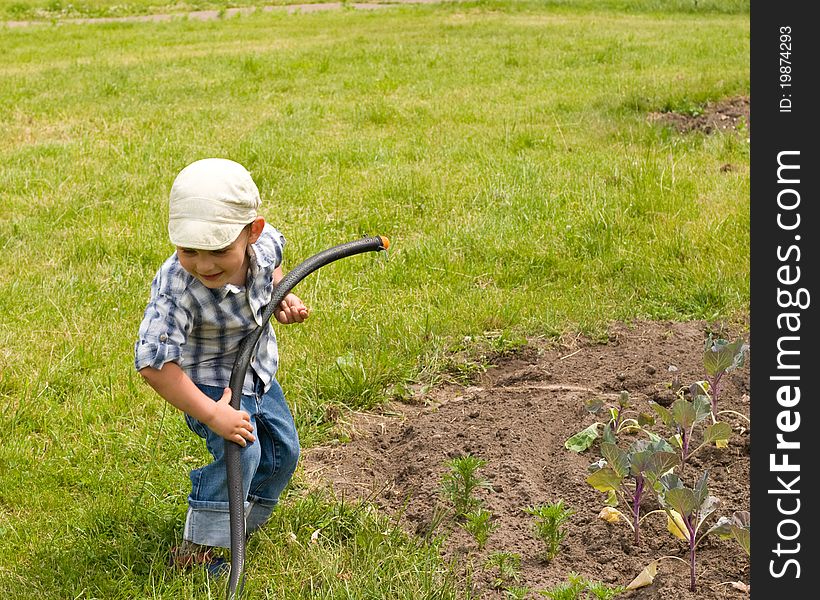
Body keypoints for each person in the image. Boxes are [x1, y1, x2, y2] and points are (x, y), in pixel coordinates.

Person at [134, 157, 308, 575]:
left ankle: (239, 525)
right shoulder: (178, 286)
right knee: (241, 453)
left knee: (284, 452)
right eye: (189, 250)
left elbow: (274, 263)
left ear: (252, 232)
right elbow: (153, 364)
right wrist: (213, 414)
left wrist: (279, 296)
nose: (204, 264)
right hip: (207, 384)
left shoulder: (264, 246)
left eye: (218, 251)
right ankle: (197, 551)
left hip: (258, 370)